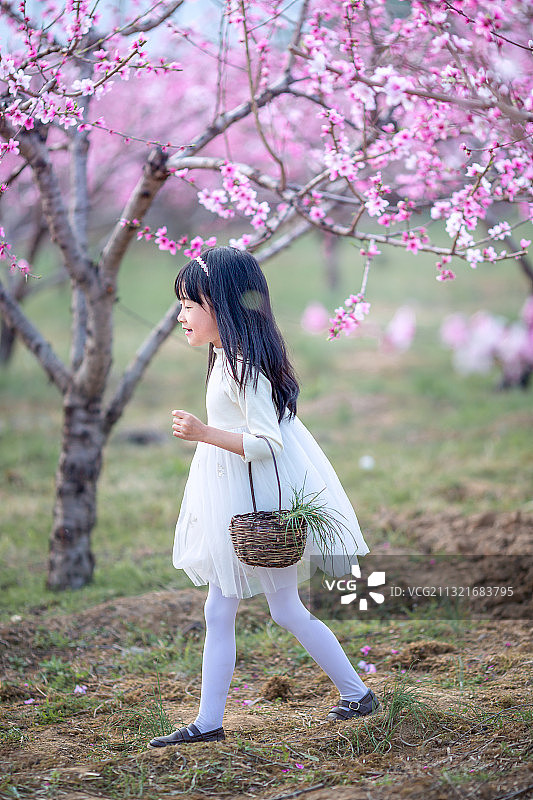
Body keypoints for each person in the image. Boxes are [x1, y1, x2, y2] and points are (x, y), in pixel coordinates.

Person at [149, 246, 380, 748]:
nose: (181, 316)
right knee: (231, 608)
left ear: (222, 305)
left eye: (191, 305)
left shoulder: (242, 366)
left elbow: (267, 443)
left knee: (283, 609)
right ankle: (212, 720)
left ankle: (355, 693)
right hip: (234, 495)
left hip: (254, 503)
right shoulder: (225, 358)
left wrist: (203, 432)